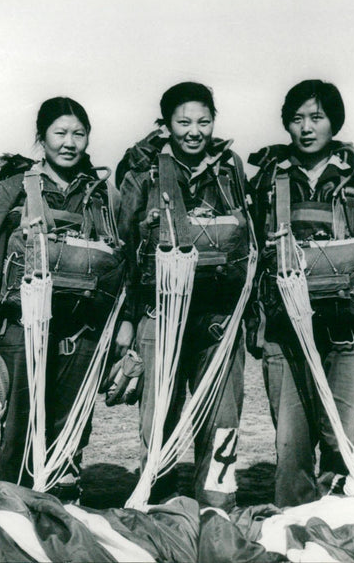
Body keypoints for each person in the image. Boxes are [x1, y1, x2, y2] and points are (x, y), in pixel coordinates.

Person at [0, 97, 125, 501]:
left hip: (84, 331)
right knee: (21, 423)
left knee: (71, 422)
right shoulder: (11, 190)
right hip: (23, 331)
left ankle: (62, 504)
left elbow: (121, 259)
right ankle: (16, 504)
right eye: (60, 133)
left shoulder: (101, 195)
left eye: (79, 133)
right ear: (42, 138)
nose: (70, 142)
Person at [115, 82, 252, 510]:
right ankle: (158, 506)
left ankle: (218, 508)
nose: (194, 131)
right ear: (167, 124)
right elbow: (126, 250)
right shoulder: (143, 173)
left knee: (223, 420)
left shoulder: (230, 169)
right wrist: (128, 321)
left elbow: (251, 242)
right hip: (160, 317)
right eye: (184, 122)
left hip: (218, 321)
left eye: (204, 121)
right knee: (159, 420)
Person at [247, 80, 354, 507]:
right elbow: (250, 253)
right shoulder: (266, 182)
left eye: (317, 117)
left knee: (344, 438)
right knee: (292, 445)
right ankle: (296, 524)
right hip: (285, 333)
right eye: (298, 118)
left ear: (334, 123)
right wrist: (256, 322)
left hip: (349, 331)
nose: (306, 127)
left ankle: (341, 522)